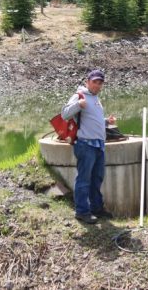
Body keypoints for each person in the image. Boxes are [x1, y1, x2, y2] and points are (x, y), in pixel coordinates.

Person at [62, 69, 116, 224]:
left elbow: (92, 119)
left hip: (98, 145)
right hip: (85, 144)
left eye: (100, 83)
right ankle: (82, 212)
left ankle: (97, 209)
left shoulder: (96, 98)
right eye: (95, 82)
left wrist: (106, 122)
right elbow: (64, 114)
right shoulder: (79, 95)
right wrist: (78, 104)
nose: (97, 85)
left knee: (97, 179)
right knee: (84, 179)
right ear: (88, 82)